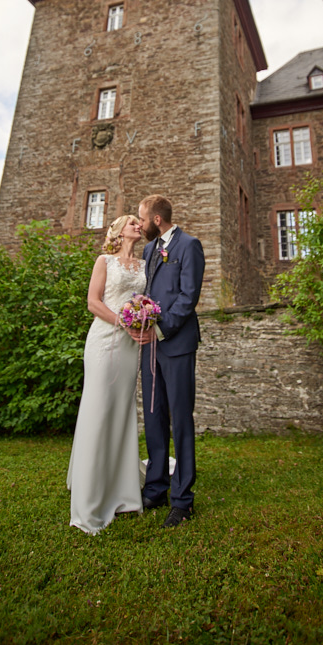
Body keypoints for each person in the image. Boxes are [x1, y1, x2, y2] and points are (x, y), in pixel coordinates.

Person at [67, 214, 148, 534]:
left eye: (139, 223)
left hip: (130, 346)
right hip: (103, 341)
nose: (137, 225)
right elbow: (92, 302)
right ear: (117, 230)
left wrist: (143, 320)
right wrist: (123, 322)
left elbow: (144, 300)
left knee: (123, 410)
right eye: (131, 221)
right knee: (98, 410)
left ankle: (124, 491)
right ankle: (90, 497)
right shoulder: (104, 260)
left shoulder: (143, 266)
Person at [138, 194, 205, 528]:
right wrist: (138, 314)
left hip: (176, 344)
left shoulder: (189, 245)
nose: (140, 224)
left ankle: (183, 500)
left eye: (142, 218)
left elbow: (188, 296)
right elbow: (148, 292)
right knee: (153, 417)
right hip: (148, 347)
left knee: (180, 420)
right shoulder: (149, 250)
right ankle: (156, 487)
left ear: (157, 220)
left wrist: (161, 330)